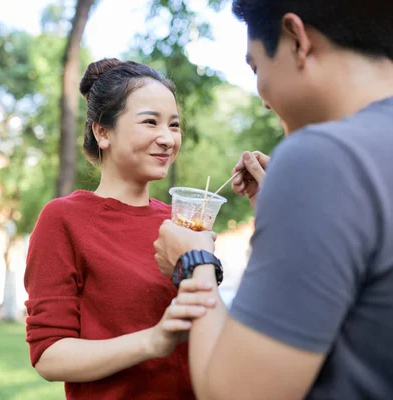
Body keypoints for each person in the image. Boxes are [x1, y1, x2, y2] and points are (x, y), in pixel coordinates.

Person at [154, 1, 393, 399]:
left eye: (256, 68)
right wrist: (288, 211)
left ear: (297, 39)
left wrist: (195, 262)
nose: (263, 97)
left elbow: (235, 393)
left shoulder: (322, 157)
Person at [24, 58, 213, 399]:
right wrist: (152, 342)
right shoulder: (64, 219)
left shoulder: (183, 225)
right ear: (103, 132)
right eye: (150, 122)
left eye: (173, 125)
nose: (167, 138)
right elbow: (49, 355)